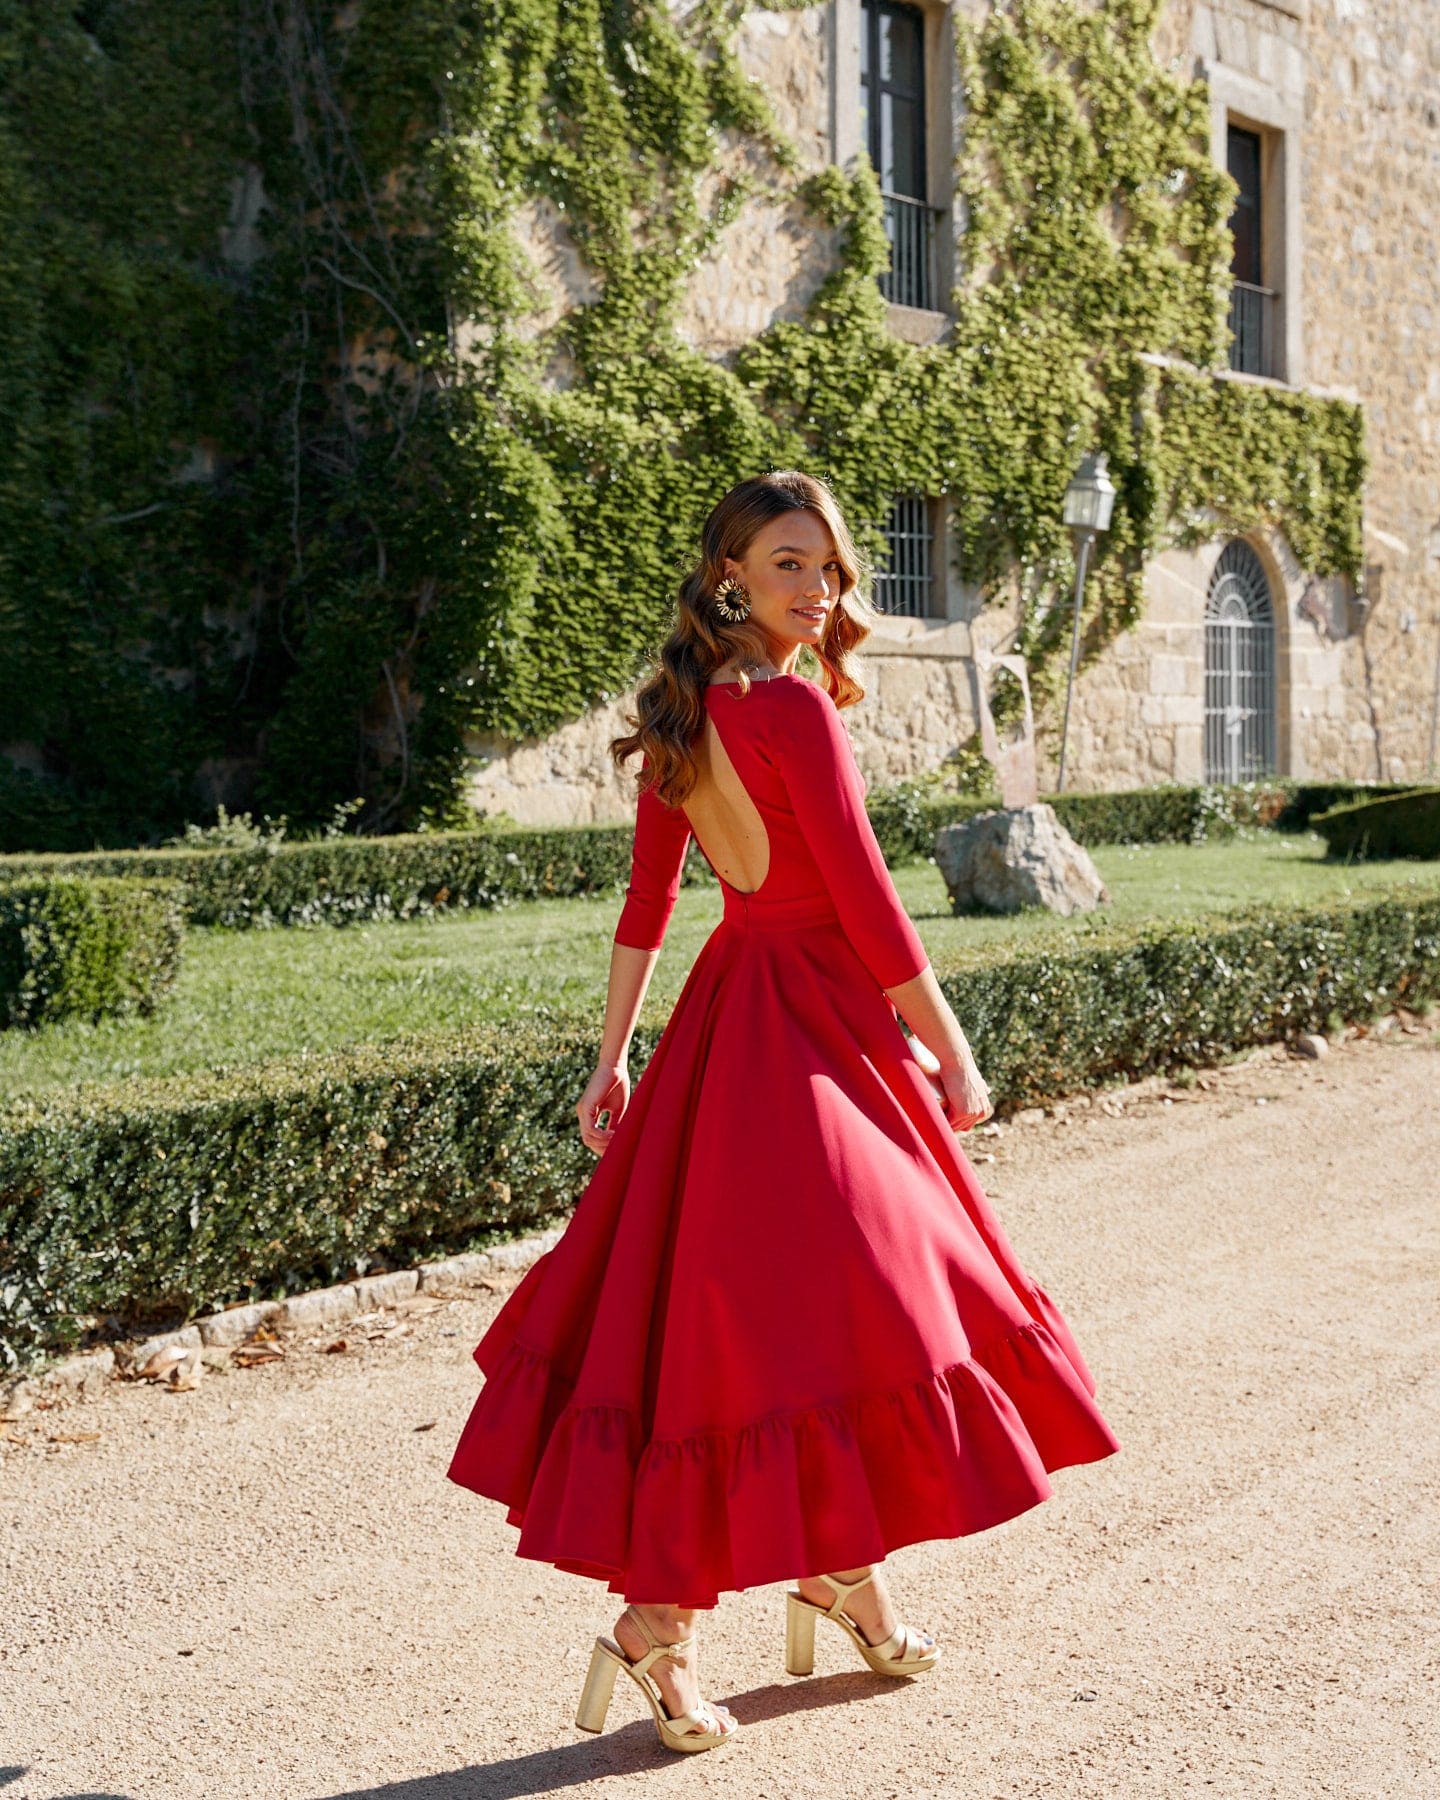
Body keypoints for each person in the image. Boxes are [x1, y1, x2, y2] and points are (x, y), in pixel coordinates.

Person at [446, 470, 1121, 1753]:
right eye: (791, 565)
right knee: (805, 1311)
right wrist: (959, 1054)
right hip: (803, 1030)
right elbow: (863, 904)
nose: (820, 591)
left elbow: (654, 904)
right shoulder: (789, 712)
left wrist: (618, 1056)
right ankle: (659, 1625)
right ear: (731, 575)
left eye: (831, 567)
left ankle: (837, 1572)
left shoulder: (686, 706)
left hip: (737, 1021)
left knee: (808, 1308)